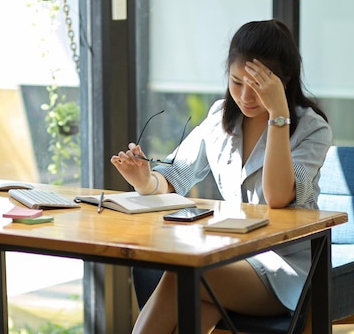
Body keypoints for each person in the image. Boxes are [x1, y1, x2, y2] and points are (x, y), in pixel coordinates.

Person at [111, 19, 332, 334]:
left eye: (257, 85)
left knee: (185, 273)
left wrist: (278, 116)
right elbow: (176, 175)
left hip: (286, 271)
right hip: (231, 259)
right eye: (236, 81)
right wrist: (145, 180)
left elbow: (279, 197)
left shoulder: (311, 128)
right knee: (196, 304)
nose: (245, 96)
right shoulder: (219, 118)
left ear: (283, 80)